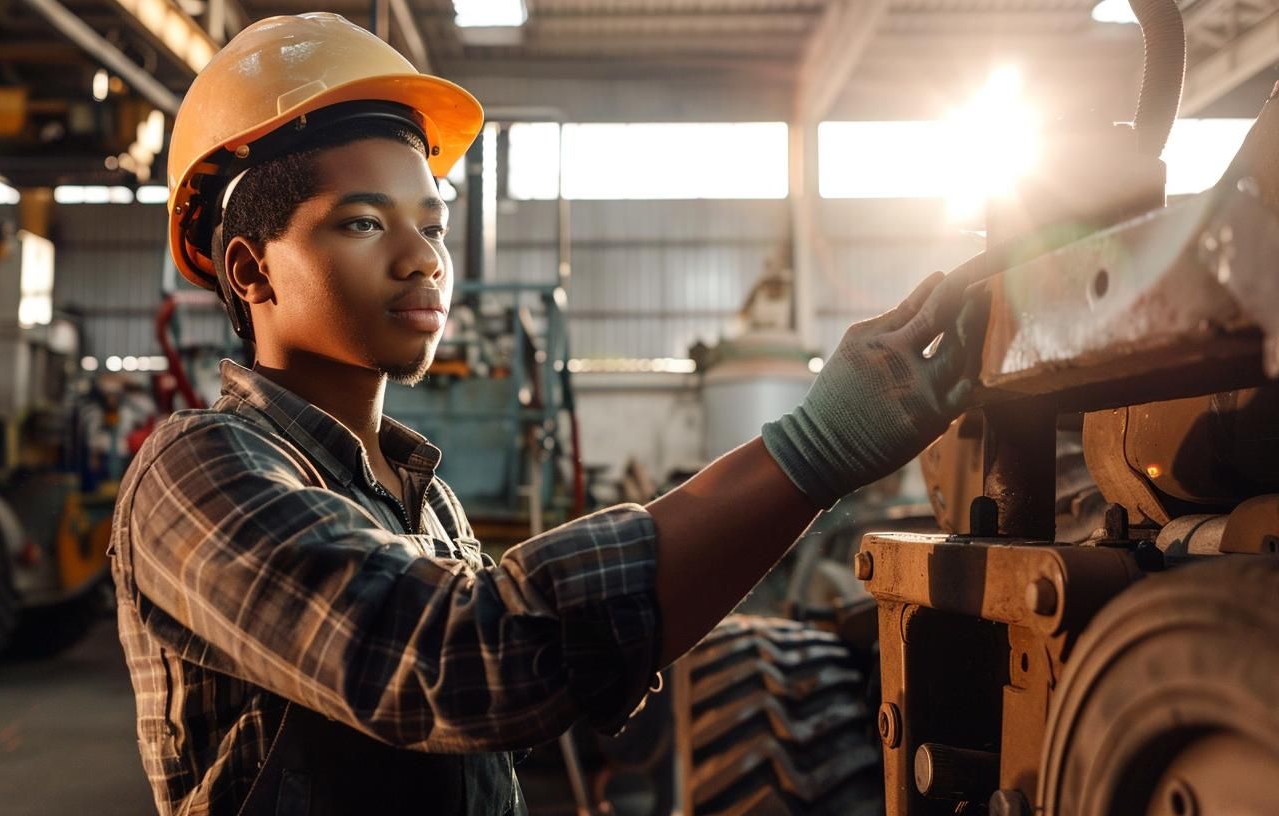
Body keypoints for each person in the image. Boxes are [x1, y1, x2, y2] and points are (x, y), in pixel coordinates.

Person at [111, 13, 984, 816]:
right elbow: (457, 659)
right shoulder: (197, 471)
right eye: (365, 224)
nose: (424, 260)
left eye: (434, 225)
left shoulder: (424, 499)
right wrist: (813, 455)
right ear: (252, 271)